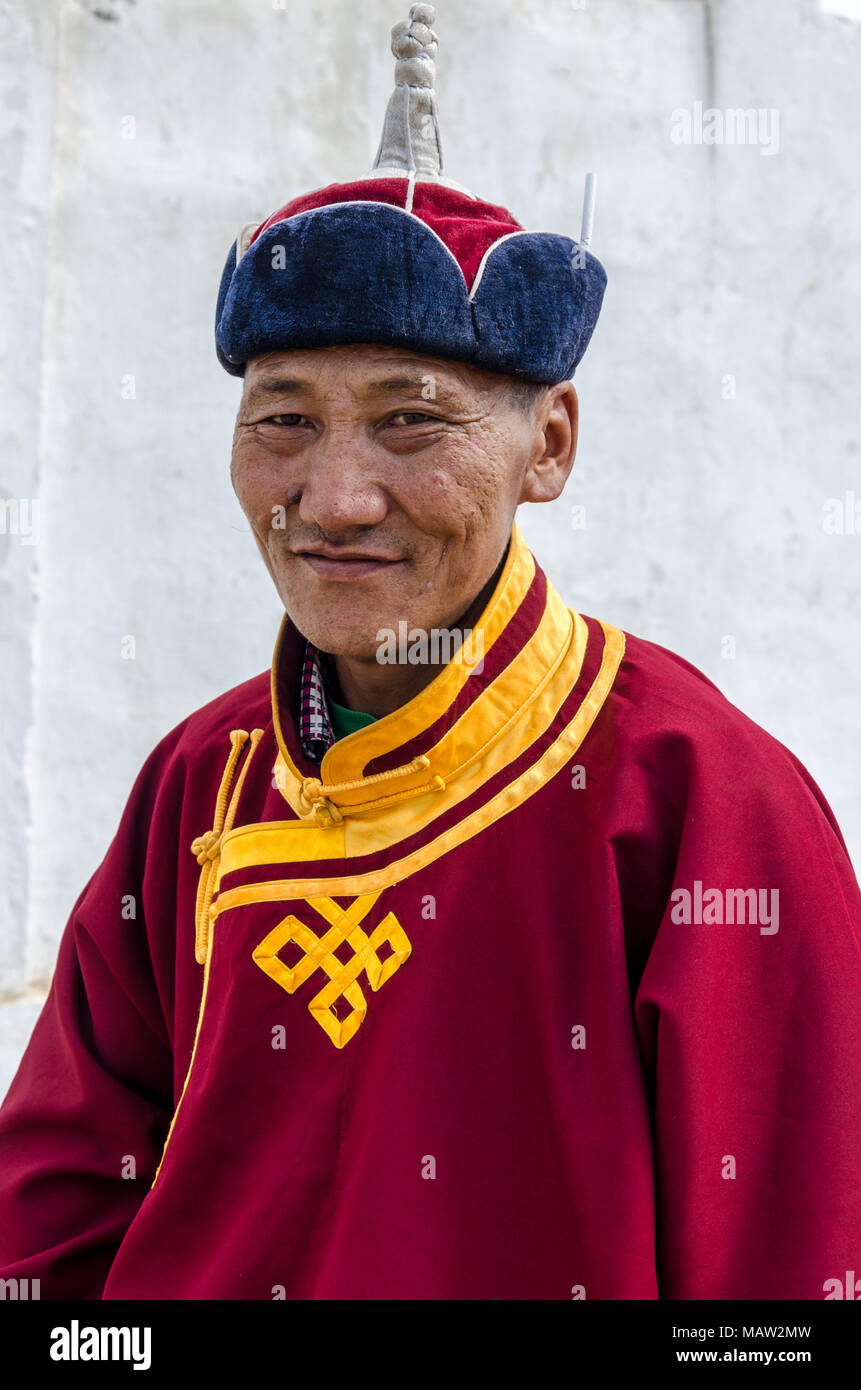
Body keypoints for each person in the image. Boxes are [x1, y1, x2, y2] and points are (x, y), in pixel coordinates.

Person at [1, 5, 859, 1302]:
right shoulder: (200, 783)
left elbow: (788, 1274)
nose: (334, 497)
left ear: (548, 447)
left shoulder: (699, 798)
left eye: (411, 421)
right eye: (283, 420)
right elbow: (49, 1227)